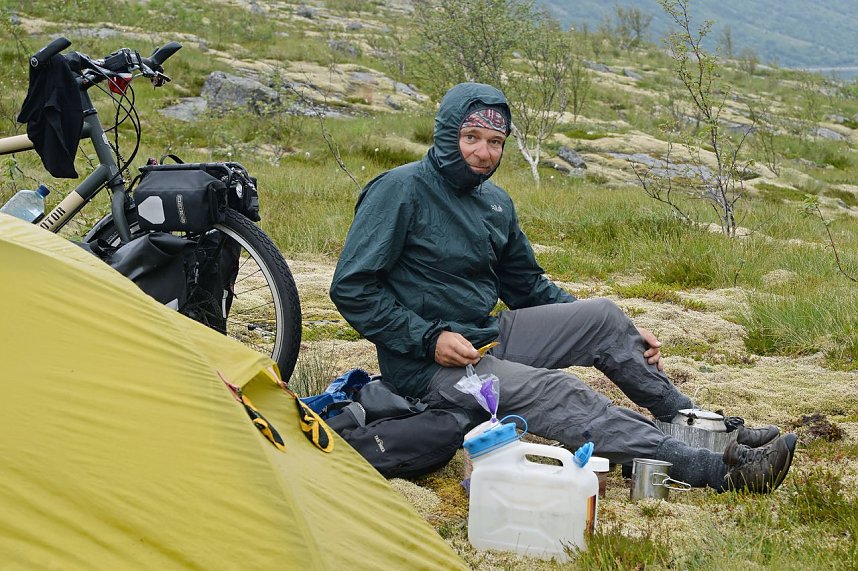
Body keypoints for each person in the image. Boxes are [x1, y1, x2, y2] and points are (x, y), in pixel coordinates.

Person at [330, 82, 796, 493]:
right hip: (426, 368)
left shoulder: (495, 202)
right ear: (447, 132)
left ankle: (703, 427)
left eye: (496, 142)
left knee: (604, 318)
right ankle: (718, 471)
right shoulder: (399, 190)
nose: (483, 153)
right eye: (471, 138)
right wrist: (429, 340)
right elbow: (352, 288)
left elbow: (527, 285)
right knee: (561, 393)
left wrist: (613, 333)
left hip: (486, 335)